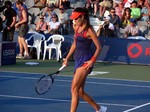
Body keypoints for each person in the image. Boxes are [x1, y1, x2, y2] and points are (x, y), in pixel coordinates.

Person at [62, 7, 107, 112]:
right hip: (77, 59)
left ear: (82, 17)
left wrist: (92, 60)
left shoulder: (89, 30)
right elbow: (75, 43)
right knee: (80, 91)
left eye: (76, 18)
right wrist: (67, 58)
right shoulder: (76, 27)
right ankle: (99, 109)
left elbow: (99, 47)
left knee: (74, 89)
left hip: (85, 61)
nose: (74, 20)